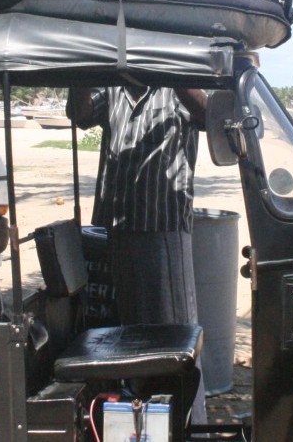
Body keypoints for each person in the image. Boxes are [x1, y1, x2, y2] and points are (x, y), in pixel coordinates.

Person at [66, 84, 210, 416]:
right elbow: (81, 114)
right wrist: (84, 73)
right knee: (132, 336)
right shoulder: (113, 86)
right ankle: (141, 416)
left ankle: (188, 425)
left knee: (175, 336)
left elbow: (209, 114)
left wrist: (169, 71)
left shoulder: (174, 86)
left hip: (162, 226)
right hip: (118, 225)